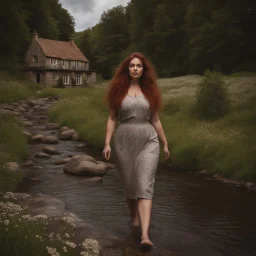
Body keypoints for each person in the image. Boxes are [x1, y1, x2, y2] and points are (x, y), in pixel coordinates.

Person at [102, 52, 170, 247]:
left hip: (148, 140)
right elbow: (112, 118)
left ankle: (145, 236)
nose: (135, 68)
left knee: (144, 185)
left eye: (139, 66)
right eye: (132, 65)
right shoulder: (118, 90)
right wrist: (107, 142)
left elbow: (155, 120)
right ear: (127, 69)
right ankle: (134, 218)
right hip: (124, 140)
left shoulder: (150, 91)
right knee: (131, 185)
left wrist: (165, 142)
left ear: (143, 69)